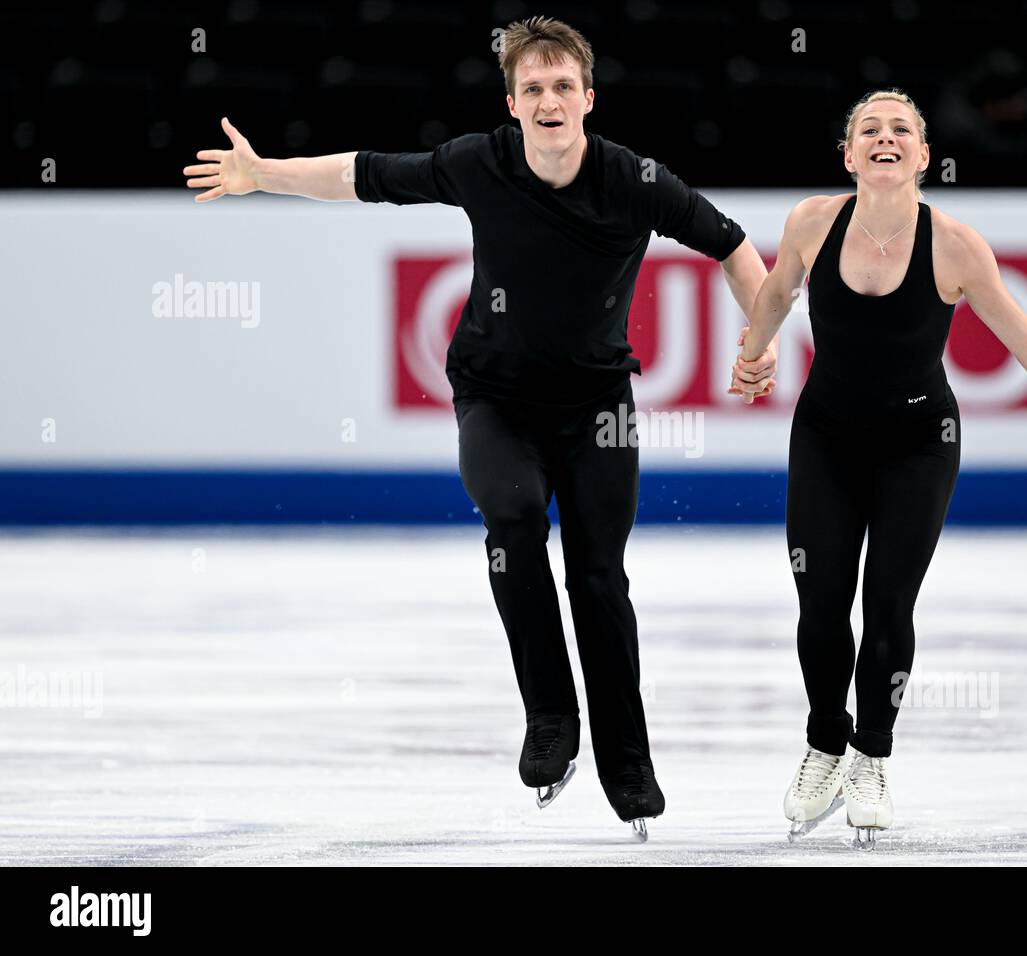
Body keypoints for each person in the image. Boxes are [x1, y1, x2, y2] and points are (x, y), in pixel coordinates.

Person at [182, 16, 773, 840]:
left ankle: (627, 760)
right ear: (513, 103)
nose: (549, 99)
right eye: (532, 87)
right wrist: (262, 174)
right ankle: (551, 721)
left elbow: (739, 251)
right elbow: (364, 175)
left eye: (563, 85)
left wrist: (760, 343)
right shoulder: (482, 162)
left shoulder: (636, 180)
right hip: (494, 399)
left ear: (588, 98)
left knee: (599, 578)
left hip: (597, 405)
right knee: (514, 517)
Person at [730, 89, 1027, 847]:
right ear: (849, 154)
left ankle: (871, 756)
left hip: (918, 443)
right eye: (870, 128)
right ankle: (825, 743)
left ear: (925, 156)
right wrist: (752, 355)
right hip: (825, 436)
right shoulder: (810, 221)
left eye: (902, 129)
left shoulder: (957, 246)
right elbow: (773, 294)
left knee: (889, 607)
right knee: (822, 603)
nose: (886, 137)